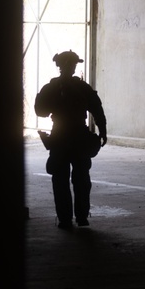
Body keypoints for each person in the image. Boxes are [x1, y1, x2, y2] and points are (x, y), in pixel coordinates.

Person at [34, 50, 108, 230]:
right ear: (71, 66)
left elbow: (40, 111)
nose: (74, 67)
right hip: (78, 136)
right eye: (74, 64)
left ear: (59, 67)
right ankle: (81, 217)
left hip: (60, 136)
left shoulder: (51, 87)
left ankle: (66, 219)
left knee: (61, 180)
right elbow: (97, 110)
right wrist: (103, 130)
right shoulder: (81, 87)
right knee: (81, 179)